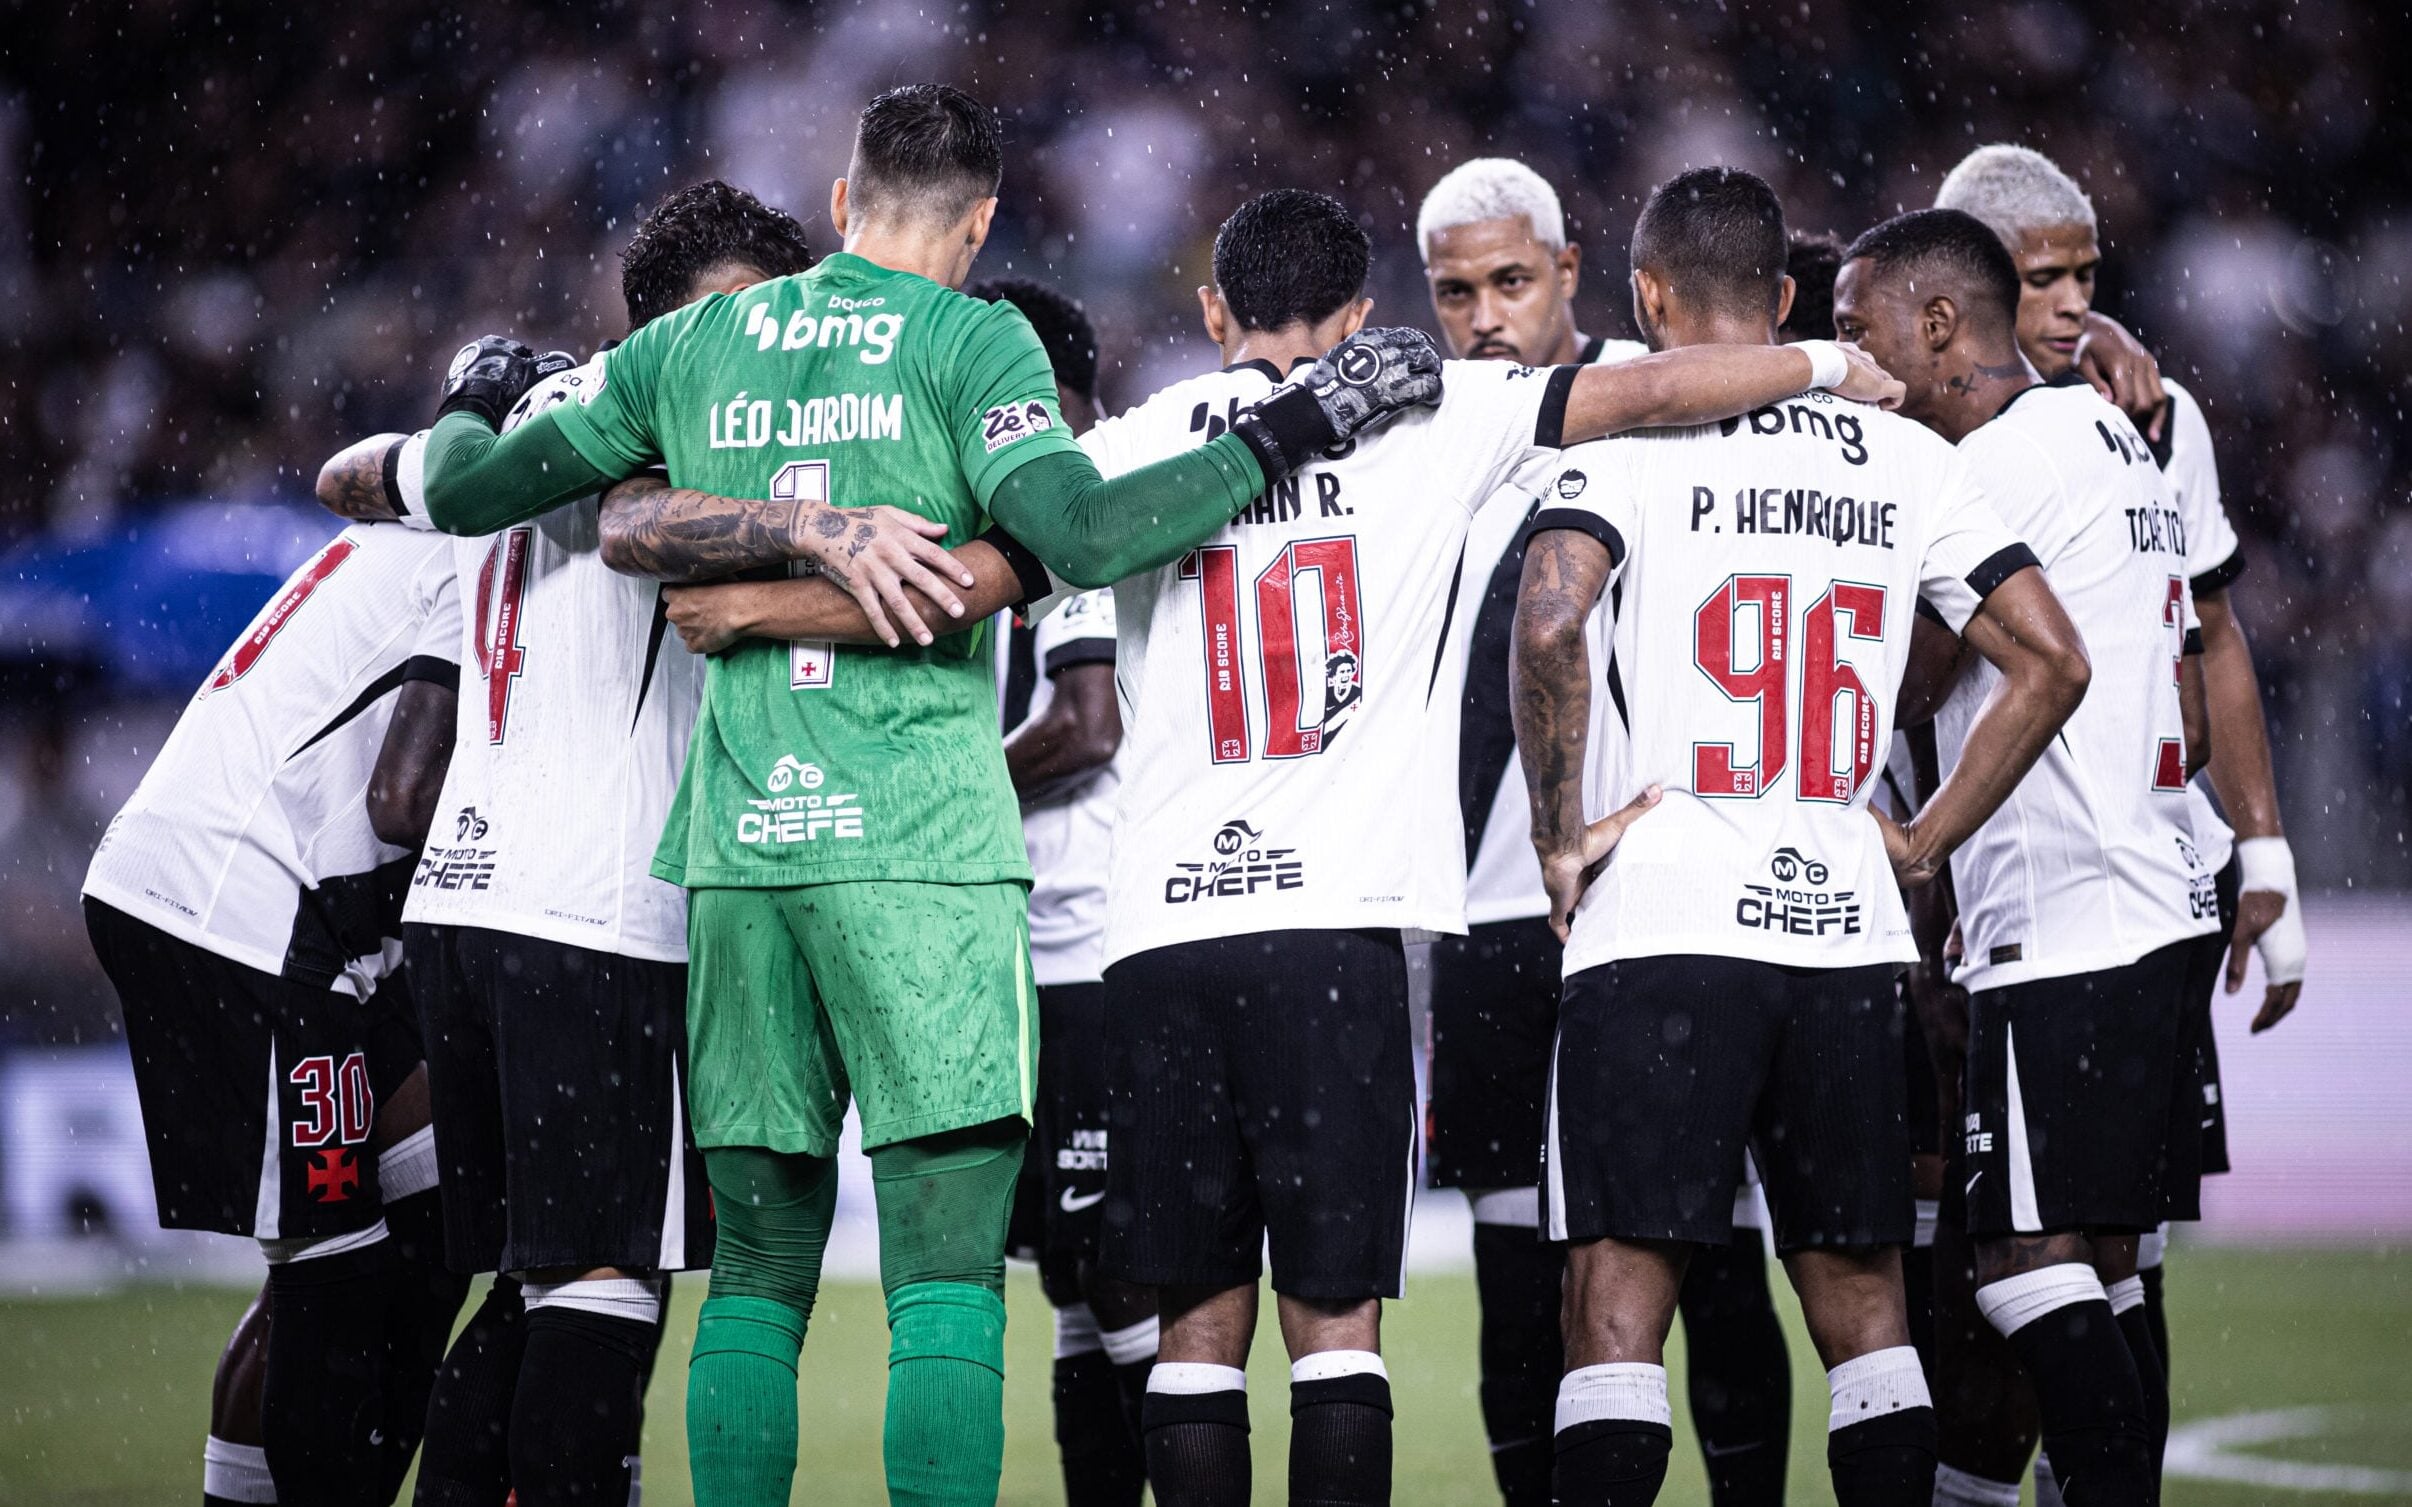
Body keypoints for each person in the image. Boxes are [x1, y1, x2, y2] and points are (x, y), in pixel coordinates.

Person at [345, 84, 1449, 1507]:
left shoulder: (694, 340)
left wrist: (400, 454)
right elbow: (1086, 531)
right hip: (919, 841)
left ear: (844, 202)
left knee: (752, 1276)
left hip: (744, 844)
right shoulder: (970, 335)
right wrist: (1289, 435)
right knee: (941, 1278)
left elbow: (497, 488)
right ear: (981, 224)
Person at [1054, 185, 1894, 1507]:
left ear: (1213, 310)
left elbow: (1022, 544)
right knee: (1335, 1332)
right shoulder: (1439, 419)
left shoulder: (1135, 445)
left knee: (1195, 1336)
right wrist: (1835, 360)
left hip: (1160, 931)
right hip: (1337, 932)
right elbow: (1660, 394)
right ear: (1366, 317)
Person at [1515, 167, 2092, 1507]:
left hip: (1662, 914)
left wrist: (1558, 834)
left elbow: (1548, 622)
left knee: (1614, 1306)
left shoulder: (1619, 447)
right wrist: (1924, 835)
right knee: (1866, 1315)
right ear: (1783, 301)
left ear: (1647, 300)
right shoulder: (1905, 456)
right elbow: (2054, 661)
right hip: (1842, 919)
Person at [315, 178, 815, 1505]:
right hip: (594, 916)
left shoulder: (533, 418)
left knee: (537, 1289)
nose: (778, 346)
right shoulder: (669, 410)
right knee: (602, 1289)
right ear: (674, 320)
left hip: (468, 907)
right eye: (755, 316)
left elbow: (354, 477)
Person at [1415, 155, 1793, 1507]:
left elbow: (1856, 350)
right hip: (1494, 923)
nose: (1485, 315)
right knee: (1519, 1279)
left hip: (1665, 912)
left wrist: (2089, 359)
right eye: (1454, 290)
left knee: (1714, 1265)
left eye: (1512, 280)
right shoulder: (1425, 438)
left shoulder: (1678, 395)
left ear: (1573, 272)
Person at [1836, 205, 2225, 1505]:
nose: (1852, 358)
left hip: (2071, 914)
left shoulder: (1991, 465)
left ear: (1940, 323)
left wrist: (1920, 835)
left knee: (2017, 1263)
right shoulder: (2107, 427)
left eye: (1857, 328)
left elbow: (1923, 678)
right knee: (2108, 1263)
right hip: (2160, 893)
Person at [81, 515, 467, 1506]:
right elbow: (403, 798)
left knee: (436, 1222)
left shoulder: (397, 521)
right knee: (330, 1276)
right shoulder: (479, 551)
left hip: (279, 907)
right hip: (245, 912)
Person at [972, 274, 1160, 1507]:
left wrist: (951, 790)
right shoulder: (1021, 516)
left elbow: (1085, 724)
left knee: (1118, 1267)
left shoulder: (1075, 492)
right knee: (1066, 1275)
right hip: (1026, 953)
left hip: (1090, 953)